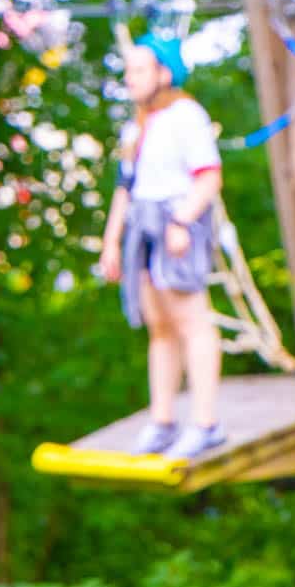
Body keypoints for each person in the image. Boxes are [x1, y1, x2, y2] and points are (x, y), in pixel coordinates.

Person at [97, 32, 228, 460]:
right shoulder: (136, 124)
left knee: (191, 318)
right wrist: (112, 240)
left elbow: (209, 176)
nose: (130, 79)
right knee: (160, 324)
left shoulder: (187, 115)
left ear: (163, 74)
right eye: (128, 70)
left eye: (139, 70)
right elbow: (125, 186)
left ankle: (205, 422)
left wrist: (182, 220)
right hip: (142, 223)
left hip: (175, 220)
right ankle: (163, 420)